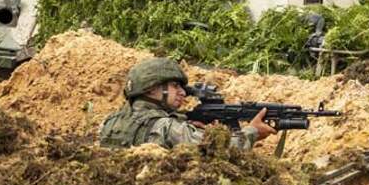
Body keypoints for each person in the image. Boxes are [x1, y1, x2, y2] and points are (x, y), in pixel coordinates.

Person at [99, 57, 277, 149]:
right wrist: (253, 132)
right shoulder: (166, 127)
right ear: (151, 89)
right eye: (175, 86)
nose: (183, 92)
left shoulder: (111, 122)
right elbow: (224, 149)